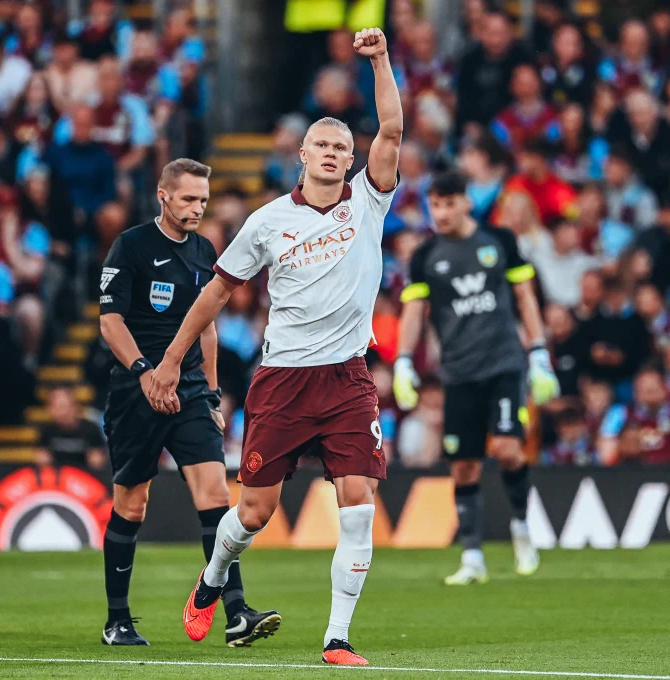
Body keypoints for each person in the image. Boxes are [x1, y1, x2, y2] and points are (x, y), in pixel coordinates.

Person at [149, 27, 402, 666]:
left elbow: (393, 131)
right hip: (284, 379)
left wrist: (379, 61)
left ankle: (337, 638)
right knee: (255, 513)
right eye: (320, 143)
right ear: (301, 154)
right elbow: (214, 296)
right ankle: (210, 582)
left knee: (358, 502)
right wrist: (174, 357)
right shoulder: (266, 221)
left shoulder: (370, 201)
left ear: (352, 159)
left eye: (341, 146)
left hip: (347, 379)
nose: (331, 152)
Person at [98, 158, 280, 647]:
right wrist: (144, 372)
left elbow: (209, 328)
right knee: (132, 504)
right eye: (188, 199)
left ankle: (237, 611)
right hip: (135, 390)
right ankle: (117, 620)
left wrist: (214, 394)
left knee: (215, 496)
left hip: (191, 390)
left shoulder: (204, 251)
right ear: (164, 196)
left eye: (203, 199)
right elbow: (110, 322)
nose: (198, 207)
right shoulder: (131, 246)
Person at [393, 170, 559, 585]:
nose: (441, 212)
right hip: (458, 373)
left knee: (506, 448)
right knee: (463, 466)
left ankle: (521, 527)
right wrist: (403, 362)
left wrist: (538, 352)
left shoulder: (499, 242)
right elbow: (414, 311)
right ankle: (472, 557)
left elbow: (524, 296)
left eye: (449, 203)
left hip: (503, 364)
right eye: (435, 204)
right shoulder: (425, 255)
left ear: (467, 202)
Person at [36, 386, 107, 470]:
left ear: (75, 406)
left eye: (64, 406)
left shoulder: (91, 429)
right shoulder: (47, 430)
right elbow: (41, 456)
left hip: (84, 476)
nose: (62, 412)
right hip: (57, 477)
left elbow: (99, 460)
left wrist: (96, 460)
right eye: (57, 407)